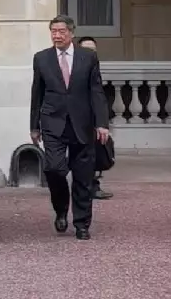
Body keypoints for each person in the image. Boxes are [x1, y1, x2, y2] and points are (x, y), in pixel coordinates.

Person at [29, 15, 110, 240]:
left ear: (71, 33)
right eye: (53, 31)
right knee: (54, 169)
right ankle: (61, 209)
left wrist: (102, 123)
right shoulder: (42, 58)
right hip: (52, 122)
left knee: (83, 176)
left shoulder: (88, 57)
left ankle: (82, 224)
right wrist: (34, 126)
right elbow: (37, 93)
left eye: (61, 31)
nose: (57, 35)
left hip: (82, 123)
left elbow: (96, 91)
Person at [77, 36, 113, 201]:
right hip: (73, 117)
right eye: (86, 49)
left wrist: (101, 122)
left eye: (93, 50)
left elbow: (98, 95)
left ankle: (92, 186)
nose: (90, 53)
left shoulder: (94, 67)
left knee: (93, 153)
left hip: (91, 118)